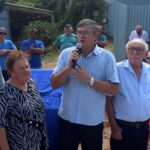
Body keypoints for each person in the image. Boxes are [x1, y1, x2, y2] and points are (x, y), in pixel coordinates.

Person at [51, 19, 119, 150]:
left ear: (96, 36)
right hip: (67, 120)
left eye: (86, 33)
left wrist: (91, 81)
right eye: (79, 32)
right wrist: (68, 67)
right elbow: (54, 84)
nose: (81, 36)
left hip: (92, 122)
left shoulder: (107, 57)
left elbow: (114, 89)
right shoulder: (66, 54)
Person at [106, 38, 150, 150]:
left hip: (144, 128)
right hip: (122, 128)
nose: (135, 52)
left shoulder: (149, 70)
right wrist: (114, 127)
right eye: (131, 49)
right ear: (126, 51)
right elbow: (108, 99)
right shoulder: (117, 69)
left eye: (139, 49)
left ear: (145, 53)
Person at [0, 51, 48, 150]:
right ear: (11, 72)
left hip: (39, 143)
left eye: (27, 66)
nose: (26, 70)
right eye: (22, 68)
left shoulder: (32, 84)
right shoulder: (4, 92)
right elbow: (1, 127)